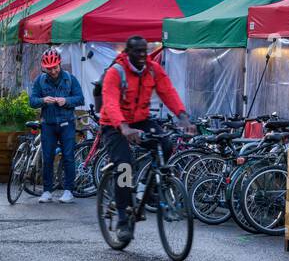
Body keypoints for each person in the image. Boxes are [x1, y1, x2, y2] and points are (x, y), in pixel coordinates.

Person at [100, 36, 192, 243]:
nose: (143, 55)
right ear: (128, 52)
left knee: (166, 143)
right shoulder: (116, 72)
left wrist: (183, 116)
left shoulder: (152, 69)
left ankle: (149, 188)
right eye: (138, 52)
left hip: (140, 119)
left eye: (145, 51)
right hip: (114, 124)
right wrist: (123, 126)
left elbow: (168, 91)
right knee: (125, 166)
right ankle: (123, 218)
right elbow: (110, 101)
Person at [28, 49, 85, 203]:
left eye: (55, 67)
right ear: (44, 68)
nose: (53, 71)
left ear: (59, 63)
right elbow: (32, 101)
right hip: (48, 124)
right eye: (49, 68)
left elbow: (80, 98)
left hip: (67, 123)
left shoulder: (70, 79)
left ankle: (68, 191)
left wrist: (66, 101)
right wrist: (42, 100)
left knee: (68, 157)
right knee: (47, 157)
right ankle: (47, 191)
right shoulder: (40, 81)